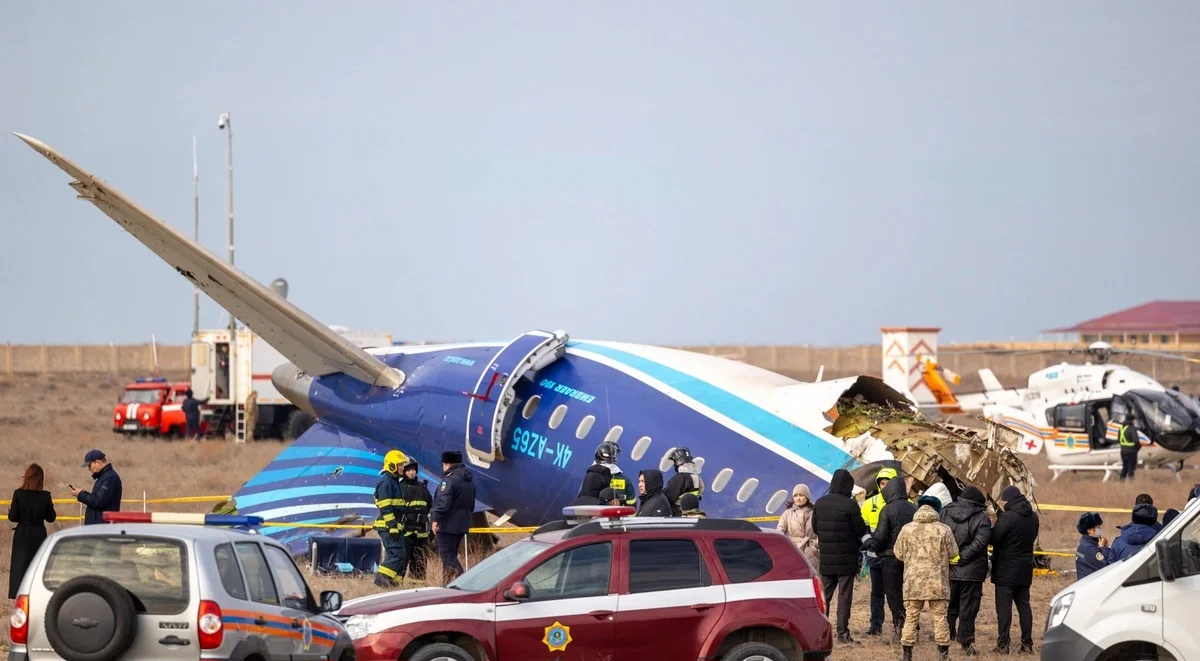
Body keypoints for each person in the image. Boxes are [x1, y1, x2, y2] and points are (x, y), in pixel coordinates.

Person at [893, 498, 959, 661]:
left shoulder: (907, 529)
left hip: (913, 582)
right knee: (940, 618)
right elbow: (953, 553)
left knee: (911, 617)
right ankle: (943, 655)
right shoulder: (944, 529)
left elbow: (898, 553)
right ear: (937, 510)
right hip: (938, 582)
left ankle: (907, 655)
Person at [812, 468, 869, 647]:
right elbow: (859, 530)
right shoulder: (850, 505)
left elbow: (815, 528)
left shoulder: (820, 503)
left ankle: (821, 633)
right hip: (846, 559)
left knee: (824, 597)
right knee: (844, 597)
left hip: (827, 559)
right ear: (848, 486)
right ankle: (842, 633)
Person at [989, 485, 1039, 655]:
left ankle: (1003, 645)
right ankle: (1027, 644)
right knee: (1024, 607)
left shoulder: (1007, 518)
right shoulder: (1033, 517)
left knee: (1004, 609)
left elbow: (994, 539)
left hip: (1005, 570)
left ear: (1008, 500)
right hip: (1025, 568)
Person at [940, 486, 990, 655]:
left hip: (949, 567)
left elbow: (940, 537)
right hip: (972, 572)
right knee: (968, 608)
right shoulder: (981, 517)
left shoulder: (945, 513)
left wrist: (953, 557)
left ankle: (946, 637)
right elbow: (981, 541)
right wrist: (963, 557)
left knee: (949, 605)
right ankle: (966, 642)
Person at [871, 474, 917, 643]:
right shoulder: (914, 508)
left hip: (890, 559)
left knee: (894, 594)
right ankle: (913, 626)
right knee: (910, 594)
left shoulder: (887, 510)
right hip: (911, 559)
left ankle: (900, 628)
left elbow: (881, 537)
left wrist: (871, 545)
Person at [8, 463, 56, 599]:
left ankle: (19, 594)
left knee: (20, 566)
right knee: (37, 565)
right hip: (39, 533)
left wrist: (10, 511)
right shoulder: (45, 496)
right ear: (41, 479)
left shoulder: (18, 494)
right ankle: (36, 594)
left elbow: (13, 517)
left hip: (22, 534)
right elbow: (51, 518)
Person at [859, 466, 897, 637]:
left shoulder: (906, 504)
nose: (884, 487)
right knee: (877, 592)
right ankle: (876, 625)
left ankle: (900, 624)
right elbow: (863, 527)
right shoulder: (869, 504)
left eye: (888, 483)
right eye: (882, 483)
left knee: (896, 593)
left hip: (895, 558)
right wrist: (868, 543)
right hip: (874, 556)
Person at [429, 450, 476, 584]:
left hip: (447, 525)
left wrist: (435, 519)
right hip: (462, 524)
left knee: (448, 558)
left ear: (447, 464)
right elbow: (471, 505)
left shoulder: (449, 481)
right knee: (450, 558)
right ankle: (448, 585)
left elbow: (443, 503)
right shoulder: (469, 481)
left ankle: (465, 582)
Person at [372, 450, 408, 588]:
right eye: (400, 465)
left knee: (401, 555)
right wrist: (392, 525)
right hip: (388, 527)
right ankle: (381, 582)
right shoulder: (386, 482)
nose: (403, 467)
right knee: (397, 555)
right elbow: (385, 507)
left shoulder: (394, 481)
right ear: (392, 466)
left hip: (394, 527)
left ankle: (394, 586)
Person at [398, 458, 434, 581]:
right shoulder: (399, 487)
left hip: (421, 534)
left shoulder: (423, 488)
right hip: (406, 533)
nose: (411, 472)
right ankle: (396, 587)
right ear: (404, 471)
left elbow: (430, 506)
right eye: (408, 470)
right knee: (402, 562)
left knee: (420, 563)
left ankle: (417, 588)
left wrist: (430, 529)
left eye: (413, 470)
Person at [72, 449, 122, 525]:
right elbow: (97, 498)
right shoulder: (104, 477)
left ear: (97, 462)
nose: (89, 469)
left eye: (89, 465)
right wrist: (82, 493)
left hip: (103, 528)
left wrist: (81, 494)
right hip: (99, 527)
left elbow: (99, 501)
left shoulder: (109, 478)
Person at [779, 483, 820, 573]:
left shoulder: (815, 512)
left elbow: (822, 531)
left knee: (813, 581)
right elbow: (780, 531)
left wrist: (816, 545)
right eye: (795, 495)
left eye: (801, 495)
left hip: (813, 552)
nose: (798, 498)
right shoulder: (787, 513)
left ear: (807, 497)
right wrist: (786, 547)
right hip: (794, 550)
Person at [663, 447, 705, 516]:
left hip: (677, 514)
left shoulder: (680, 478)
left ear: (678, 460)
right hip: (690, 514)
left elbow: (666, 498)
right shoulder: (697, 477)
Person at [595, 441, 637, 506]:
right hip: (619, 515)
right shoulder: (625, 480)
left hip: (597, 515)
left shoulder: (591, 477)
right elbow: (632, 504)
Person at [1074, 512, 1111, 580]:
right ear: (1089, 530)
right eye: (1098, 527)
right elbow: (1108, 567)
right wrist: (1104, 548)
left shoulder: (1089, 542)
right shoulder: (1088, 548)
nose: (1099, 529)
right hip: (1090, 586)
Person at [1118, 413, 1140, 481]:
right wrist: (1138, 447)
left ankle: (1121, 480)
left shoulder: (1121, 428)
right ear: (1132, 420)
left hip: (1123, 451)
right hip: (1131, 451)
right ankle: (1131, 482)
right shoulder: (1132, 429)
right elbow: (1136, 441)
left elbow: (1119, 439)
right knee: (1131, 467)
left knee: (1125, 466)